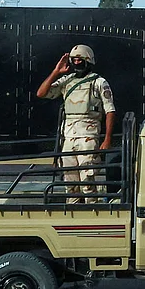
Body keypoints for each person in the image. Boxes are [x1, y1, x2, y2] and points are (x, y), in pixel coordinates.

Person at [36, 45, 116, 203]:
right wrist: (56, 72)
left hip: (88, 137)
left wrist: (107, 139)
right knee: (71, 185)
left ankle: (92, 211)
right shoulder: (67, 80)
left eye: (80, 59)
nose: (77, 62)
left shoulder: (99, 82)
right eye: (74, 60)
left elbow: (110, 111)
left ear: (88, 60)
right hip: (68, 138)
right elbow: (41, 93)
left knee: (87, 182)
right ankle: (74, 213)